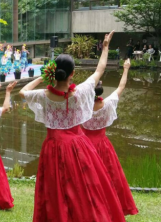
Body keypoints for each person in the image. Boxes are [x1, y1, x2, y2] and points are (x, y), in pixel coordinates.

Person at [19, 31, 126, 222]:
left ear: (53, 71)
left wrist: (43, 77)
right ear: (73, 73)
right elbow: (99, 69)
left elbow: (22, 92)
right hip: (78, 146)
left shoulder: (44, 95)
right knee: (83, 187)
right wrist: (106, 46)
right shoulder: (81, 93)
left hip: (53, 146)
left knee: (55, 189)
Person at [82, 59, 138, 216]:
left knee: (88, 178)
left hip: (86, 146)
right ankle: (112, 204)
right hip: (102, 144)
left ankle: (90, 205)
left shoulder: (81, 108)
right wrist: (126, 68)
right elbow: (121, 87)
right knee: (110, 176)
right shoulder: (107, 104)